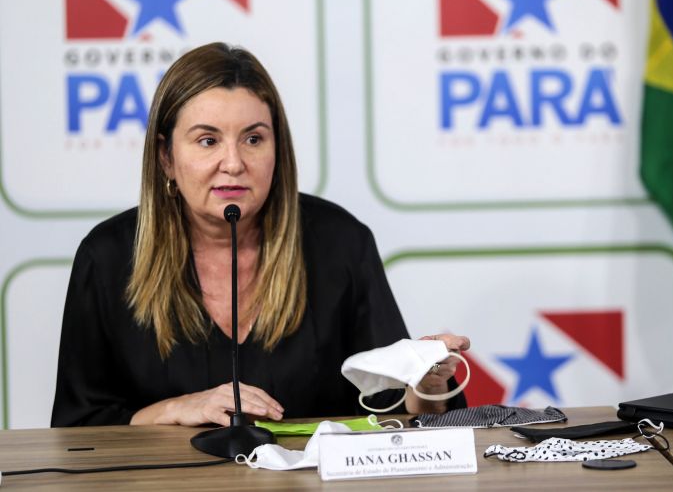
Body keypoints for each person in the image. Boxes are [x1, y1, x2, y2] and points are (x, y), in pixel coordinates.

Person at [51, 42, 469, 428]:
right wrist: (177, 409)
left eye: (253, 139)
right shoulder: (107, 257)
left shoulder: (339, 242)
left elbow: (390, 410)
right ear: (166, 157)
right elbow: (77, 430)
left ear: (277, 149)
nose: (233, 163)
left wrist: (425, 389)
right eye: (207, 140)